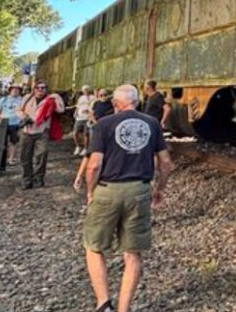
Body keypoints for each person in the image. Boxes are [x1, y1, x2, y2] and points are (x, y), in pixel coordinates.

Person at [83, 84, 173, 312]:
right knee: (133, 254)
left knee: (94, 247)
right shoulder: (152, 123)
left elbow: (94, 165)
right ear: (137, 101)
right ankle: (123, 309)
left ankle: (104, 303)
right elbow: (165, 163)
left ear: (115, 103)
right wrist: (159, 189)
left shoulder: (103, 124)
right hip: (139, 191)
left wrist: (90, 191)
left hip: (107, 190)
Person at [18, 82, 63, 189]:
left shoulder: (50, 100)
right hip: (27, 131)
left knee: (41, 155)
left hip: (42, 131)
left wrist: (57, 97)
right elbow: (18, 110)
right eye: (38, 87)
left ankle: (38, 179)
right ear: (34, 89)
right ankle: (26, 180)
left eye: (43, 88)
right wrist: (24, 117)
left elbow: (61, 110)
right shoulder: (27, 98)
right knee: (25, 157)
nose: (40, 90)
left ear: (46, 89)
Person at [0, 85, 24, 165]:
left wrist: (22, 121)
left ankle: (11, 159)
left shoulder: (21, 100)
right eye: (14, 89)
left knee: (13, 142)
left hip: (15, 124)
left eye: (17, 90)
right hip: (3, 123)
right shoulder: (4, 99)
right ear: (10, 90)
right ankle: (1, 159)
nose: (15, 91)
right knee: (2, 142)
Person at [73, 86, 94, 157]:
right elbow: (78, 106)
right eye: (84, 90)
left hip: (87, 118)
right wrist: (76, 112)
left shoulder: (93, 97)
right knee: (75, 133)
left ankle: (85, 148)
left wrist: (88, 111)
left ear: (89, 90)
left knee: (86, 134)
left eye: (86, 89)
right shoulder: (81, 98)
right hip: (79, 118)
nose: (85, 91)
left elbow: (93, 107)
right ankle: (78, 146)